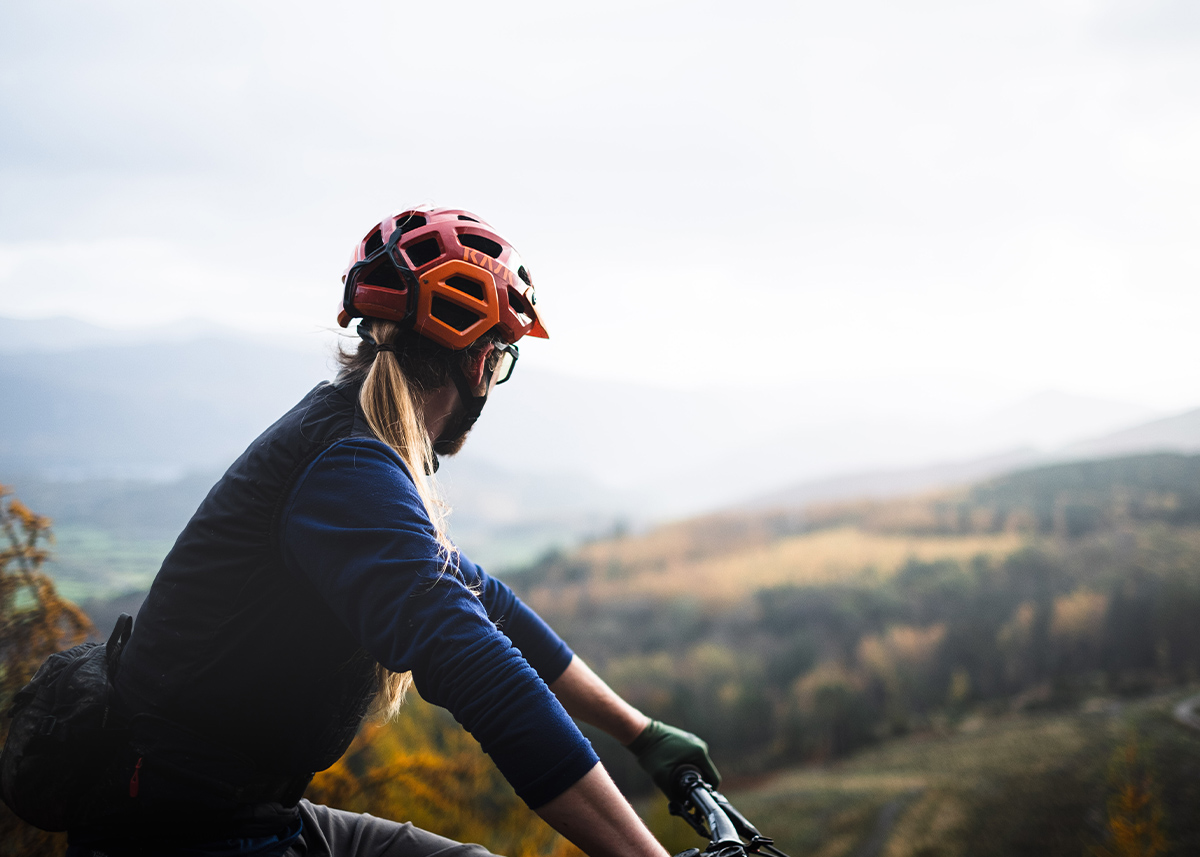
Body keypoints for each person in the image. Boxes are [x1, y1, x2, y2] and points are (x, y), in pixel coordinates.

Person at [67, 208, 720, 857]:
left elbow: (482, 600)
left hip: (248, 813)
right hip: (180, 836)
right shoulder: (345, 470)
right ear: (480, 362)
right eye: (501, 358)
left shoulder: (351, 441)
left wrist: (641, 733)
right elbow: (479, 665)